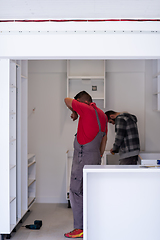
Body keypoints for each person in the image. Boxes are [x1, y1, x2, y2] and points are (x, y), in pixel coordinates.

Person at [64, 91, 108, 238]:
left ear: (81, 102)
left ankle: (79, 228)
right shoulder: (102, 115)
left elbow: (66, 100)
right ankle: (91, 226)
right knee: (90, 192)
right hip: (95, 157)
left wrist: (75, 112)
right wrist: (99, 156)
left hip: (82, 157)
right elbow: (104, 140)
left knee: (76, 191)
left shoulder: (85, 109)